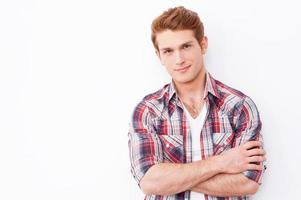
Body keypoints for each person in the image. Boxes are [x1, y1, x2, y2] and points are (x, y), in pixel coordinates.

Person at [128, 6, 266, 200]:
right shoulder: (148, 110)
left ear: (203, 45)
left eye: (186, 46)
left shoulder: (239, 106)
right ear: (159, 56)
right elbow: (150, 182)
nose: (179, 59)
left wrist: (171, 179)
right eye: (168, 51)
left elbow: (249, 182)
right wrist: (221, 163)